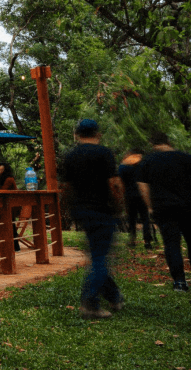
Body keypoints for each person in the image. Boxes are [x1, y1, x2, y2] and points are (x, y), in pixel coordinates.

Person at [61, 119, 124, 318]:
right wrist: (119, 206)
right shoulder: (104, 153)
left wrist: (70, 210)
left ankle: (114, 297)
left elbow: (66, 188)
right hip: (102, 210)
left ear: (77, 134)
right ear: (97, 133)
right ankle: (90, 303)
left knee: (98, 254)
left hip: (82, 211)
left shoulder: (70, 157)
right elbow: (113, 184)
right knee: (100, 258)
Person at [137, 131, 191, 292]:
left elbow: (143, 186)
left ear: (153, 144)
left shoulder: (148, 161)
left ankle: (180, 282)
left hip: (163, 208)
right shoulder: (186, 158)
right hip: (188, 207)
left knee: (171, 244)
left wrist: (150, 206)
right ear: (168, 141)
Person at [118, 148, 153, 249]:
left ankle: (132, 240)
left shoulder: (123, 166)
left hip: (129, 196)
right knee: (145, 218)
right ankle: (147, 241)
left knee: (132, 219)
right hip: (142, 195)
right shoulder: (143, 165)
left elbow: (120, 183)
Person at [0, 161, 20, 252]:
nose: (0, 172)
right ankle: (13, 245)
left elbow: (3, 190)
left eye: (1, 170)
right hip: (8, 206)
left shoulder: (9, 179)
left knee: (10, 225)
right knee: (10, 225)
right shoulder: (5, 179)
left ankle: (15, 246)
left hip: (11, 207)